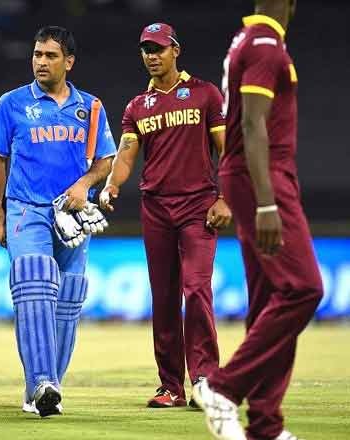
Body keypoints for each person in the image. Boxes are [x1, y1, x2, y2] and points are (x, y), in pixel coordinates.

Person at [192, 2, 323, 439]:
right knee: (304, 288)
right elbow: (252, 125)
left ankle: (266, 423)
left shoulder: (247, 40)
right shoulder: (266, 44)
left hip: (251, 174)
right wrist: (266, 203)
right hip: (262, 174)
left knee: (271, 299)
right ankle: (224, 388)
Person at [0, 25, 116, 417]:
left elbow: (105, 160)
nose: (41, 62)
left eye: (51, 56)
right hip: (27, 209)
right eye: (37, 54)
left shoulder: (90, 106)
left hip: (72, 214)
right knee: (34, 284)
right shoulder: (12, 103)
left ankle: (46, 389)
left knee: (69, 296)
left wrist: (85, 185)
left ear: (69, 62)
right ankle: (41, 381)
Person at [99, 23, 231, 409]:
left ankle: (205, 379)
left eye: (158, 48)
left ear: (175, 50)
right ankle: (170, 386)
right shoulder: (137, 106)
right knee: (164, 298)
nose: (151, 56)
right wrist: (111, 185)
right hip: (156, 208)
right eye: (146, 50)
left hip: (198, 207)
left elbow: (227, 151)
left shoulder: (205, 94)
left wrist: (225, 198)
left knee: (196, 288)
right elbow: (126, 156)